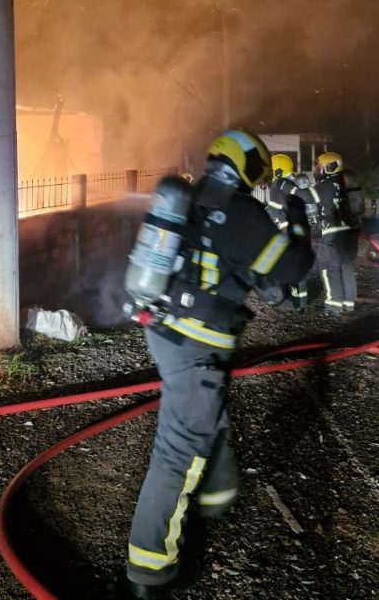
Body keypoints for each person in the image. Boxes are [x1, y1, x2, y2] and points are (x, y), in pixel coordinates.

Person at [125, 128, 315, 598]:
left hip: (165, 329)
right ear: (248, 165)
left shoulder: (189, 199)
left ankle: (212, 500)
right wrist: (295, 217)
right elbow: (293, 267)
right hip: (197, 344)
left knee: (207, 417)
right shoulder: (239, 210)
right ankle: (150, 569)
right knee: (178, 450)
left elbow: (226, 265)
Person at [304, 151, 362, 314]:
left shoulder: (326, 184)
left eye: (319, 167)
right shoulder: (345, 182)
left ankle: (333, 305)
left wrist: (290, 187)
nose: (317, 171)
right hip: (351, 231)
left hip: (333, 232)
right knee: (345, 265)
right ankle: (348, 303)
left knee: (328, 266)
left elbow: (307, 197)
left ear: (329, 167)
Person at [264, 153, 313, 310]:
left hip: (285, 231)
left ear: (277, 170)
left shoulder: (279, 184)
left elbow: (275, 210)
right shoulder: (289, 184)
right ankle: (301, 302)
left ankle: (292, 301)